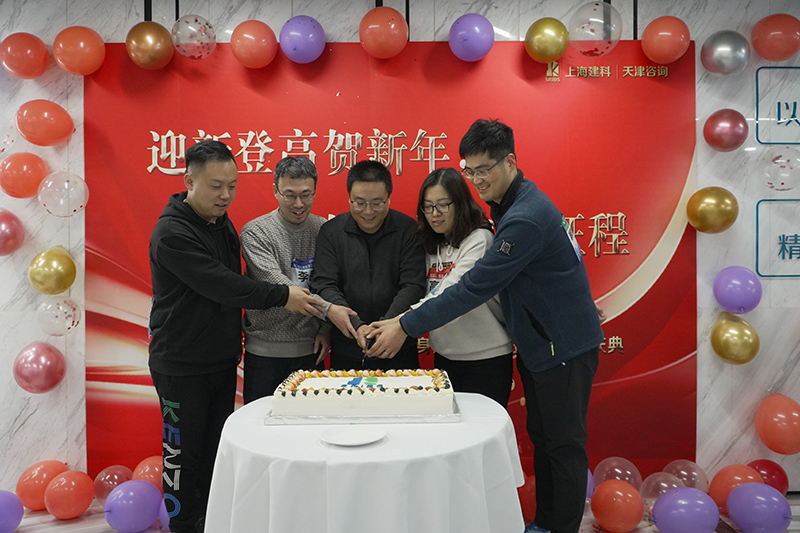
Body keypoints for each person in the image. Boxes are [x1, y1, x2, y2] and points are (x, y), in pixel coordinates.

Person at [367, 119, 606, 533]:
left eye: (484, 170)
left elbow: (473, 287)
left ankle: (559, 527)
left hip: (562, 347)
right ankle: (546, 522)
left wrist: (405, 325)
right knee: (545, 439)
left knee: (563, 445)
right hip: (541, 343)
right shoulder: (513, 205)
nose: (477, 180)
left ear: (509, 161)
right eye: (470, 171)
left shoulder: (524, 218)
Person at [148, 140, 320, 533]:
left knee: (217, 451)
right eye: (216, 186)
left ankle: (212, 522)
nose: (225, 195)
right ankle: (183, 525)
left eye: (232, 185)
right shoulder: (172, 232)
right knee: (182, 456)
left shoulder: (219, 222)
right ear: (189, 181)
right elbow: (224, 285)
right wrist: (284, 295)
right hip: (181, 366)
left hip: (221, 361)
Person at [240, 155, 357, 403]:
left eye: (306, 195)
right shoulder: (255, 232)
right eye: (289, 195)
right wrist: (329, 311)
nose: (299, 204)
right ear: (275, 190)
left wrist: (326, 328)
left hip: (311, 352)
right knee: (261, 423)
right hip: (264, 353)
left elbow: (332, 283)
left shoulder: (325, 229)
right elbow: (280, 286)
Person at [411, 167, 514, 407]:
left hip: (487, 358)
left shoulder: (480, 239)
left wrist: (404, 322)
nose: (435, 214)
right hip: (445, 357)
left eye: (443, 205)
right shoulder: (430, 244)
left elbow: (453, 289)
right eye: (428, 206)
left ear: (460, 204)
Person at [310, 159, 426, 370]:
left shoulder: (409, 230)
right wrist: (357, 325)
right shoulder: (331, 232)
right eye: (360, 203)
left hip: (397, 346)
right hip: (347, 348)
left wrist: (384, 328)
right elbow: (324, 284)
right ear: (349, 199)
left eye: (377, 203)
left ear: (389, 199)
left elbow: (413, 285)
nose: (368, 211)